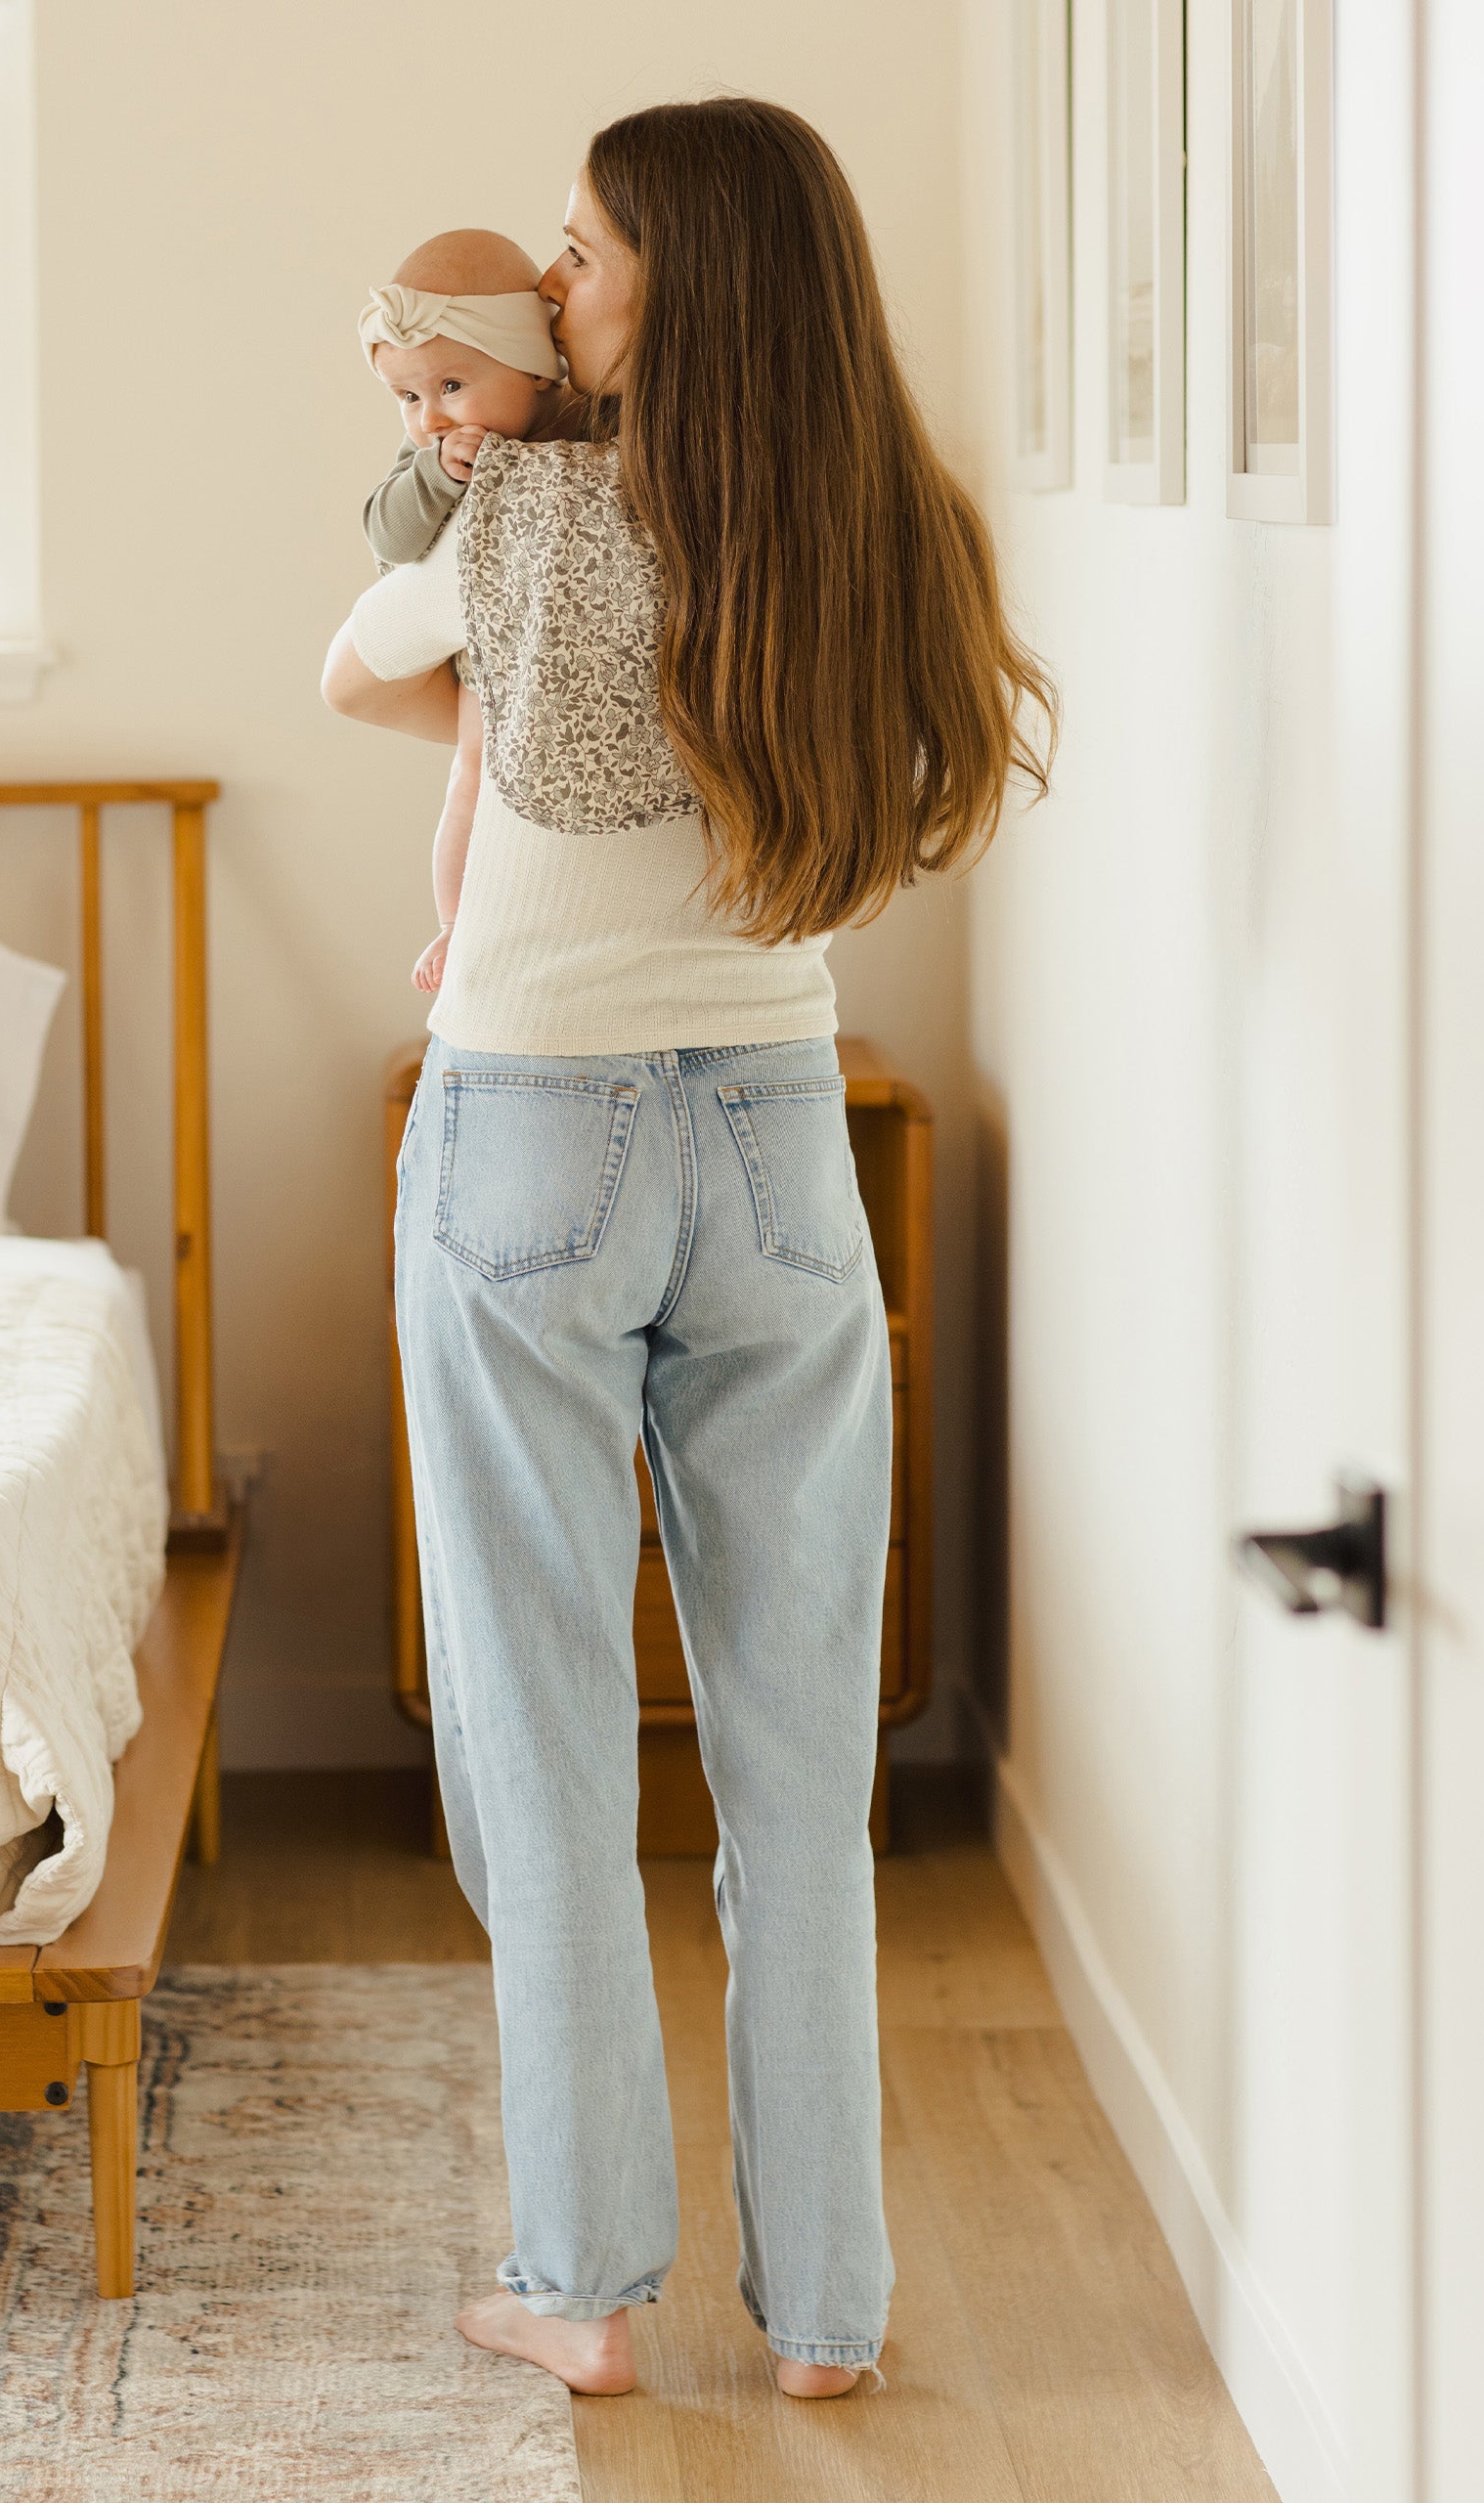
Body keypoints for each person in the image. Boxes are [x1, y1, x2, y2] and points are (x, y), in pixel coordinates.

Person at [324, 97, 1053, 2403]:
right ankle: (830, 2310)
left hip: (531, 1127)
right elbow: (897, 772)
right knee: (791, 1753)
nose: (547, 291)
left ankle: (584, 2278)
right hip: (771, 1137)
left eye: (577, 250)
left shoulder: (524, 506)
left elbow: (352, 660)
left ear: (670, 288)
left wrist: (498, 618)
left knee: (544, 1735)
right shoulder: (881, 527)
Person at [359, 229, 567, 992]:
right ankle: (457, 925)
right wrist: (438, 481)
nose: (429, 418)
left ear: (536, 368)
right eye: (408, 396)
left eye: (452, 387)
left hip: (568, 665)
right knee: (474, 779)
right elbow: (386, 538)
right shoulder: (426, 465)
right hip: (487, 665)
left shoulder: (579, 431)